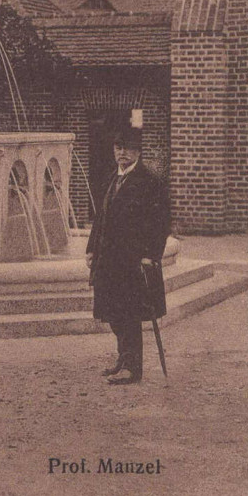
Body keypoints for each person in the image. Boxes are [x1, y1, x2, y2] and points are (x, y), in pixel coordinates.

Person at [86, 123, 169, 385]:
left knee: (129, 313)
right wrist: (91, 248)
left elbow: (161, 223)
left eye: (128, 149)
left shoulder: (149, 182)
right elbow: (102, 218)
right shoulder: (113, 178)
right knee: (112, 312)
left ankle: (133, 368)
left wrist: (150, 256)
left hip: (133, 261)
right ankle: (123, 359)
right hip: (109, 260)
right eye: (118, 148)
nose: (122, 153)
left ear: (138, 152)